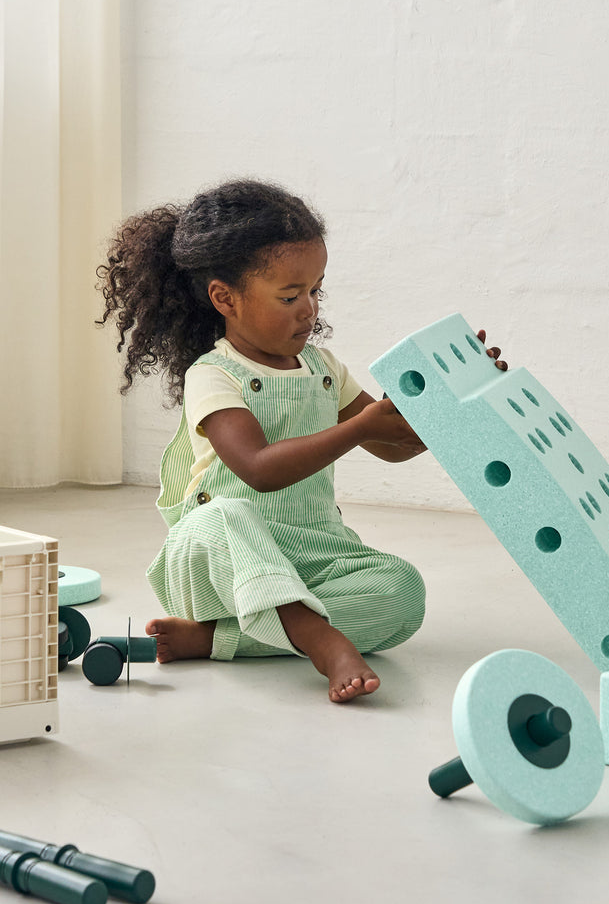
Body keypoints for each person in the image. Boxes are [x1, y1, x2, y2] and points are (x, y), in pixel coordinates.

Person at [97, 179, 507, 703]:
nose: (309, 309)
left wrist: (453, 401)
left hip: (311, 556)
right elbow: (259, 468)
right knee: (224, 516)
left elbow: (395, 443)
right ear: (225, 298)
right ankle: (321, 640)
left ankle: (222, 639)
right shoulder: (214, 375)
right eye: (290, 296)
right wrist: (358, 426)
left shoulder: (323, 369)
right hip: (217, 565)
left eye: (316, 290)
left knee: (402, 589)